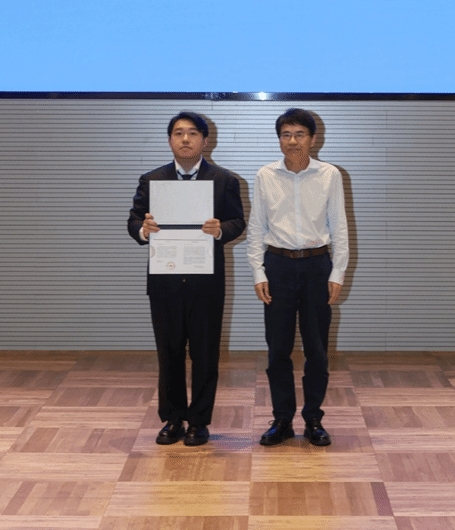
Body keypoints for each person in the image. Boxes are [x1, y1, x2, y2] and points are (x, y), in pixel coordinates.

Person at [128, 111, 245, 446]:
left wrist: (220, 229)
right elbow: (133, 221)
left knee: (205, 355)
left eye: (193, 133)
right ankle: (173, 418)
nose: (185, 139)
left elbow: (238, 222)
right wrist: (143, 229)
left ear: (205, 141)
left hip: (206, 284)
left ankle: (199, 421)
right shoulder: (152, 180)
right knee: (169, 354)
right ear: (169, 140)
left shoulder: (224, 180)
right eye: (178, 133)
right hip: (164, 282)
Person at [247, 108, 349, 447]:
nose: (292, 141)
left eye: (299, 134)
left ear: (313, 139)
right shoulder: (265, 175)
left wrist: (337, 272)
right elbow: (257, 227)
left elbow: (339, 226)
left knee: (316, 349)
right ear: (279, 139)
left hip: (317, 266)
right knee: (278, 349)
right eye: (286, 134)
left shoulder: (329, 175)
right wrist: (258, 271)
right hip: (277, 265)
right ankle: (282, 420)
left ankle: (314, 419)